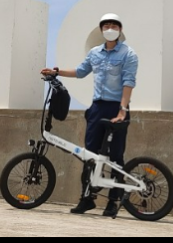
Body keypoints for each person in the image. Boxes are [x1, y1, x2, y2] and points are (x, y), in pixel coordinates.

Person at [41, 13, 138, 218]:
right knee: (90, 154)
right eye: (106, 25)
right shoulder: (95, 53)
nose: (110, 28)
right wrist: (56, 71)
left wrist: (123, 110)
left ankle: (113, 201)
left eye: (114, 25)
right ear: (102, 29)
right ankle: (86, 199)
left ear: (119, 29)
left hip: (117, 108)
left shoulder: (128, 54)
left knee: (116, 156)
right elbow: (80, 71)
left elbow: (128, 82)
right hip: (97, 109)